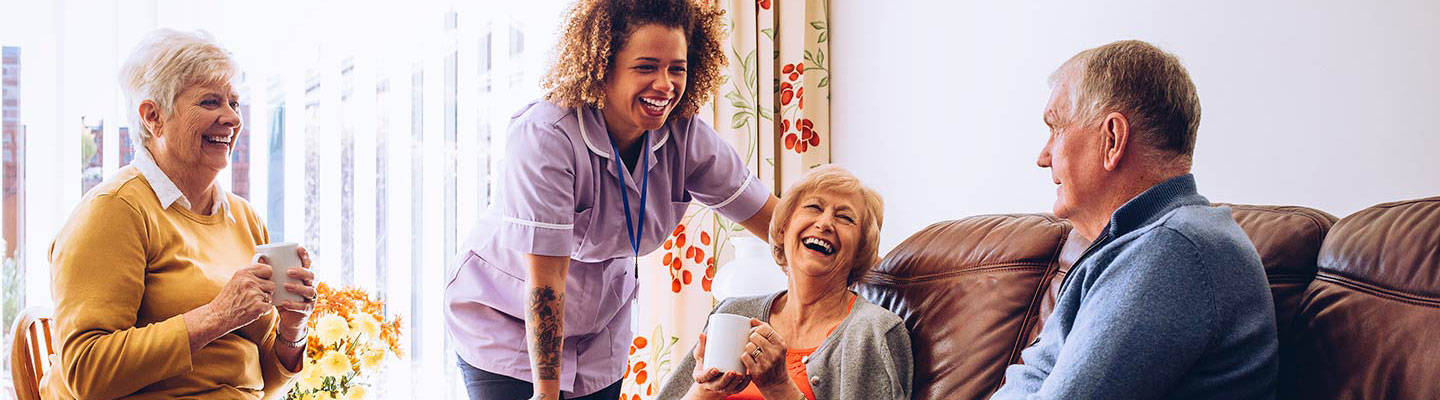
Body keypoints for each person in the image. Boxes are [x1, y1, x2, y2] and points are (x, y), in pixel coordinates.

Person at [443, 0, 778, 399]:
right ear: (602, 67)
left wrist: (849, 280)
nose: (665, 85)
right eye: (646, 67)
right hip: (507, 326)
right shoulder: (547, 136)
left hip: (599, 340)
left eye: (677, 68)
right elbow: (546, 284)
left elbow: (777, 225)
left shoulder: (686, 137)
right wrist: (546, 394)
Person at [990, 40, 1278, 399]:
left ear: (1112, 139)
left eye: (1056, 128)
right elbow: (1032, 375)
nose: (1043, 157)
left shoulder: (1175, 249)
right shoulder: (1141, 242)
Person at [44, 29, 317, 399]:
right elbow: (86, 373)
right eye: (209, 102)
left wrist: (292, 330)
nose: (232, 119)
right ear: (152, 116)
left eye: (234, 104)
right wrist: (217, 316)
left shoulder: (245, 218)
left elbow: (262, 379)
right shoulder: (115, 210)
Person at [657, 165, 912, 400]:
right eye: (813, 207)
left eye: (844, 217)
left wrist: (779, 387)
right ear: (783, 229)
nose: (824, 223)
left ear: (860, 249)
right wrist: (705, 387)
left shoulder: (873, 332)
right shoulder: (733, 313)